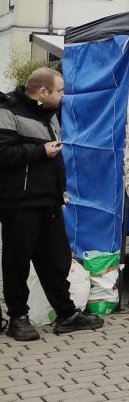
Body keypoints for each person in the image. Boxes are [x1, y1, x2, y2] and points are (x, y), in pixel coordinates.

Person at [0, 68, 104, 341]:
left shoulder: (50, 112)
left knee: (56, 259)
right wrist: (40, 151)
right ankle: (18, 318)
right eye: (59, 90)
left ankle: (67, 315)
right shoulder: (8, 109)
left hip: (49, 200)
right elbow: (3, 152)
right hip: (19, 202)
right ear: (43, 91)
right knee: (17, 262)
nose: (63, 95)